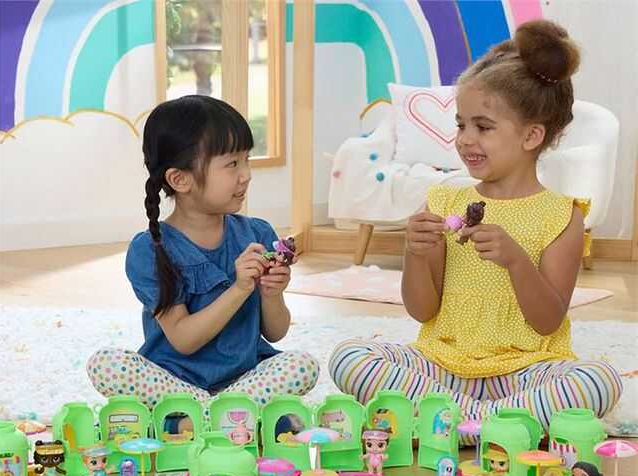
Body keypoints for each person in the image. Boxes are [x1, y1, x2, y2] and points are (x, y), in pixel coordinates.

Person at [329, 20, 622, 434]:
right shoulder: (443, 201)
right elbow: (422, 310)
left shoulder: (562, 216)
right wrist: (414, 253)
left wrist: (517, 261)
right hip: (441, 366)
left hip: (524, 371)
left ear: (531, 136)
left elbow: (547, 322)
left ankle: (450, 422)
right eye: (461, 125)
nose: (465, 139)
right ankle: (494, 426)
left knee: (597, 380)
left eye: (482, 127)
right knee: (349, 357)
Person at [87, 96, 318, 410]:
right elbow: (184, 340)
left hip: (245, 379)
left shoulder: (258, 234)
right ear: (180, 179)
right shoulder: (150, 250)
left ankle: (201, 414)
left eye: (247, 159)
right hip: (174, 382)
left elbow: (275, 333)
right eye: (232, 164)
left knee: (302, 366)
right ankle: (220, 412)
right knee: (106, 364)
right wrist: (239, 289)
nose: (246, 174)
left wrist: (272, 293)